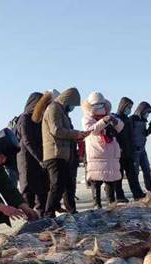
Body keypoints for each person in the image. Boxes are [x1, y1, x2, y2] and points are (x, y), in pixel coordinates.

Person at [42, 88, 89, 217]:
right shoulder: (54, 109)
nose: (72, 108)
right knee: (57, 185)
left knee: (68, 184)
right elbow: (56, 130)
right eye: (72, 105)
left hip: (64, 154)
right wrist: (76, 134)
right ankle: (48, 213)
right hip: (55, 154)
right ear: (67, 101)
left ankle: (71, 211)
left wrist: (78, 135)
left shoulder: (62, 111)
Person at [81, 92, 123, 208]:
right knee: (96, 179)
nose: (100, 108)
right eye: (97, 105)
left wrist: (114, 121)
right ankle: (97, 204)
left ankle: (111, 202)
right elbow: (92, 130)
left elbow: (120, 127)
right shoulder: (87, 118)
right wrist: (104, 121)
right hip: (96, 152)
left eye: (102, 105)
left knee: (110, 178)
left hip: (110, 153)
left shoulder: (110, 115)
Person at [16, 92, 50, 213]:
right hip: (27, 160)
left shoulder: (40, 120)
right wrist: (40, 158)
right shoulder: (24, 118)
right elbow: (27, 141)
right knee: (28, 192)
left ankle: (42, 217)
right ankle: (29, 219)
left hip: (39, 160)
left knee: (42, 190)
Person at [115, 97, 144, 201]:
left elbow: (131, 136)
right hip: (119, 153)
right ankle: (120, 196)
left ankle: (138, 194)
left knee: (132, 175)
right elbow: (115, 135)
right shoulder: (116, 118)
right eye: (128, 107)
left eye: (131, 107)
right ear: (123, 106)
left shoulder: (127, 119)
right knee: (119, 176)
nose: (130, 109)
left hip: (129, 152)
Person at [130, 102, 151, 193]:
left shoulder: (143, 121)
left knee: (147, 169)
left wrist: (150, 130)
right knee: (135, 171)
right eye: (147, 112)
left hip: (142, 149)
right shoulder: (132, 119)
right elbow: (129, 135)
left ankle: (149, 188)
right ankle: (137, 191)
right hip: (134, 150)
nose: (148, 115)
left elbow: (143, 134)